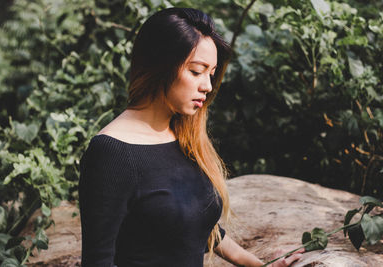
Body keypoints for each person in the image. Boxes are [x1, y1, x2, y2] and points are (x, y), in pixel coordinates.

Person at [78, 7, 303, 267]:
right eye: (196, 71)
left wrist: (258, 264)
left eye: (211, 73)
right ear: (160, 67)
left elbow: (196, 224)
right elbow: (97, 262)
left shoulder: (183, 135)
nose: (207, 86)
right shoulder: (111, 152)